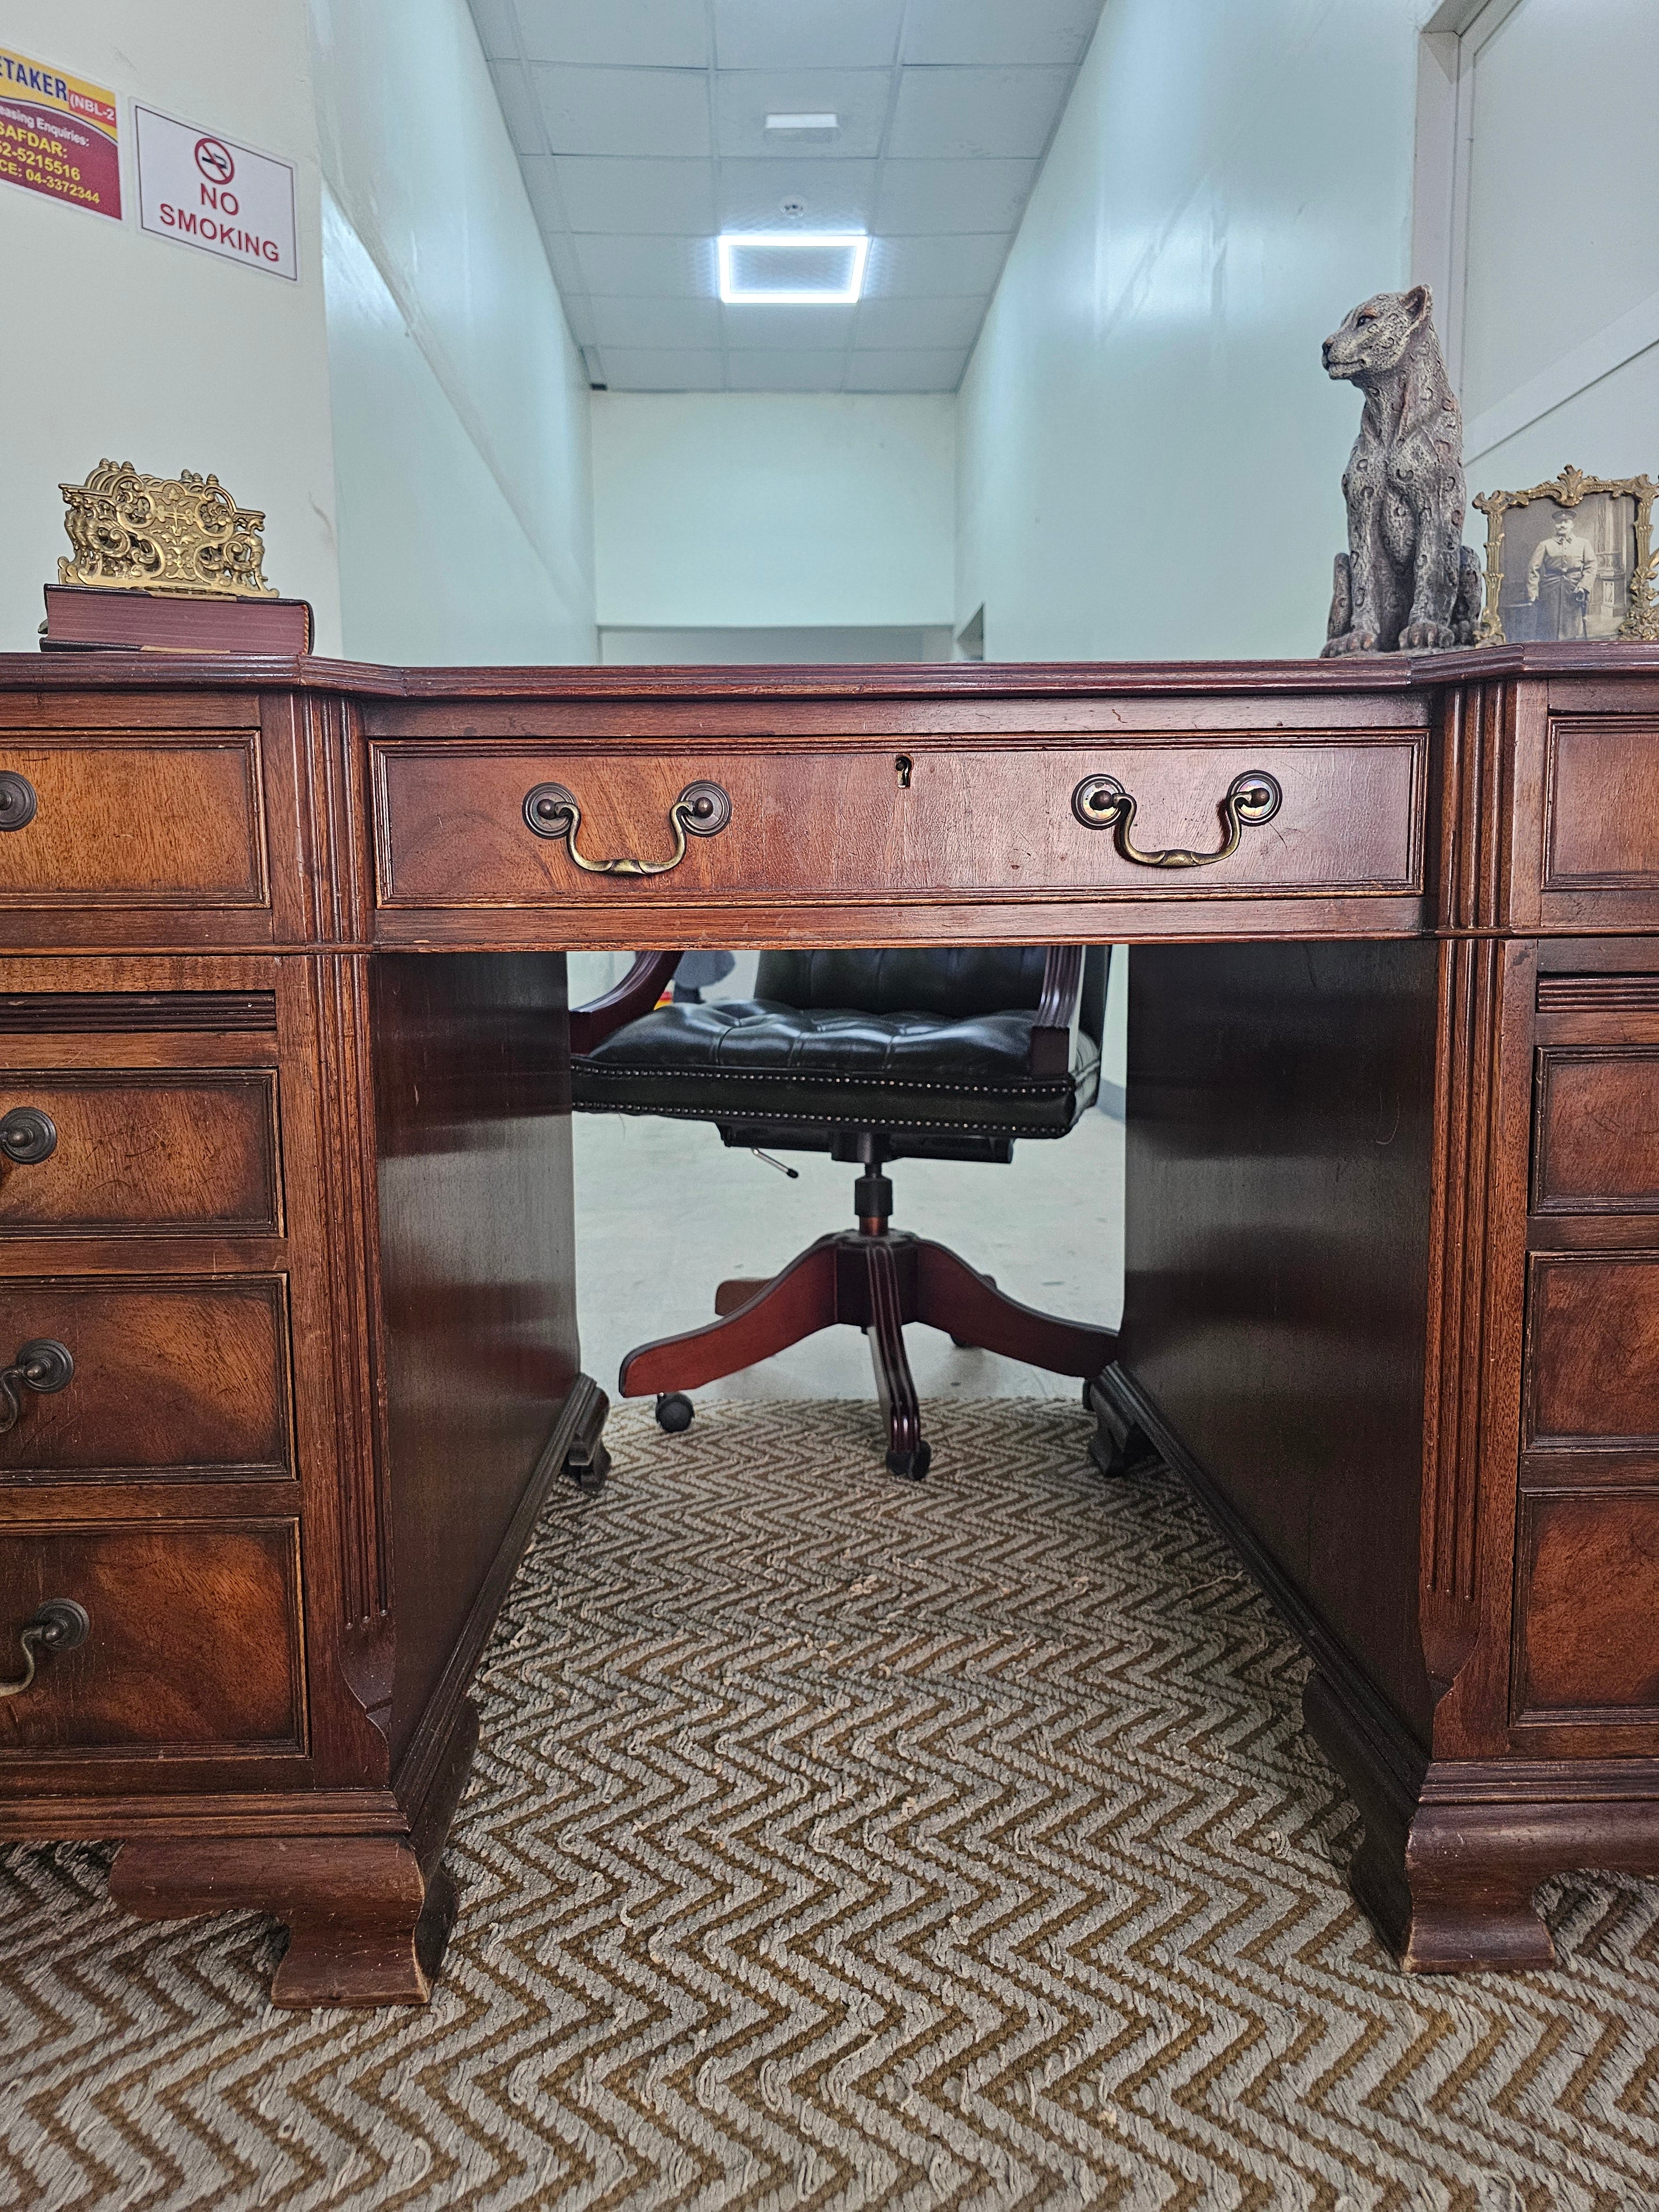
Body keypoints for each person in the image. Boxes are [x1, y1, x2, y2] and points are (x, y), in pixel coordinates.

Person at [1526, 507, 1598, 640]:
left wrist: (1583, 586)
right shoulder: (1545, 545)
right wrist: (1533, 592)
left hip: (1574, 589)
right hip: (1550, 589)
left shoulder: (1583, 544)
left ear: (1572, 525)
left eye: (1566, 522)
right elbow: (1533, 569)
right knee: (1550, 623)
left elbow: (1592, 566)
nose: (1562, 525)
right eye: (1559, 522)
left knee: (1572, 626)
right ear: (1555, 525)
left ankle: (1570, 646)